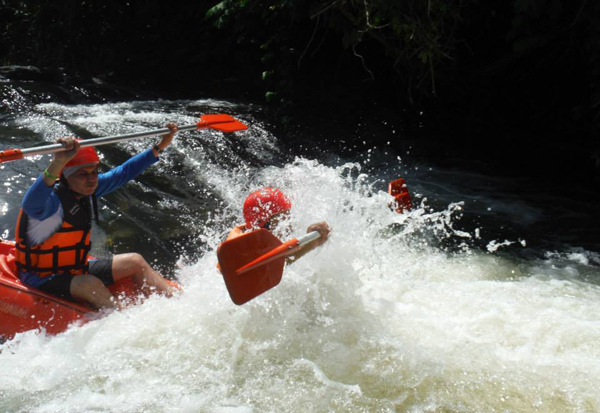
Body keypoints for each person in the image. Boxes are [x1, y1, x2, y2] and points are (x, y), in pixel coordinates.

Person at [14, 123, 180, 309]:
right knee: (89, 283)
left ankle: (177, 303)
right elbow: (30, 203)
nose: (92, 178)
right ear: (66, 177)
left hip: (75, 269)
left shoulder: (87, 188)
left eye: (94, 172)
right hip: (41, 278)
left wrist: (159, 146)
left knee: (135, 260)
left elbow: (123, 173)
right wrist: (58, 162)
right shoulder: (50, 203)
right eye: (83, 174)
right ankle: (122, 319)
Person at [224, 187, 330, 263]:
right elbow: (278, 263)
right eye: (285, 217)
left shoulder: (256, 235)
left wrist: (313, 241)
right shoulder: (245, 247)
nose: (290, 224)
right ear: (266, 222)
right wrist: (311, 244)